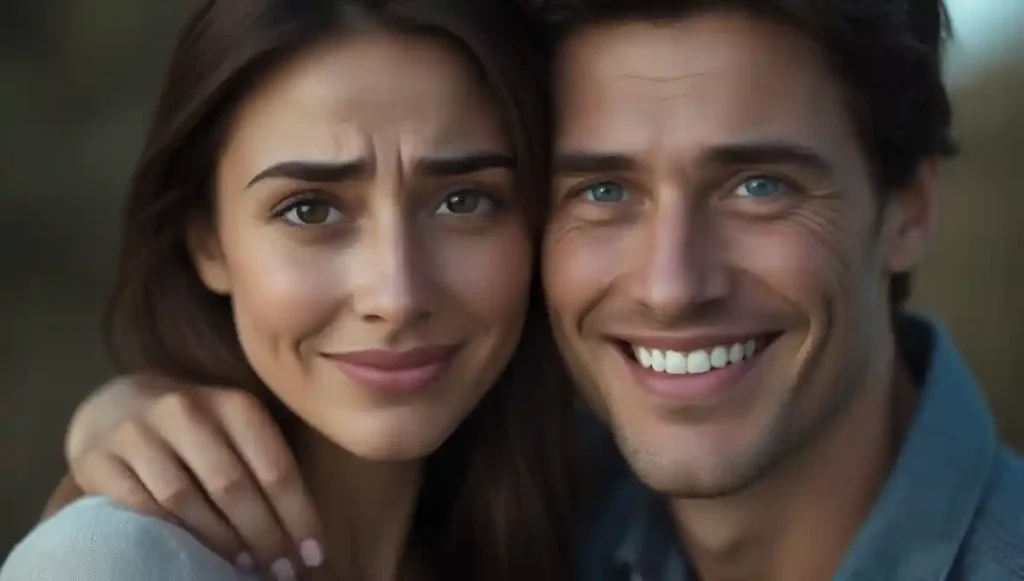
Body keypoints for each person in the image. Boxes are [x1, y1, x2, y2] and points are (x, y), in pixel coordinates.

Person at [20, 0, 1024, 580]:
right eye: (602, 189)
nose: (671, 285)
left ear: (909, 207)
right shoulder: (548, 512)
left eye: (758, 185)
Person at [0, 1, 577, 580]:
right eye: (309, 210)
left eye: (463, 201)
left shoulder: (589, 526)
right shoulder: (114, 562)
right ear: (209, 243)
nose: (396, 298)